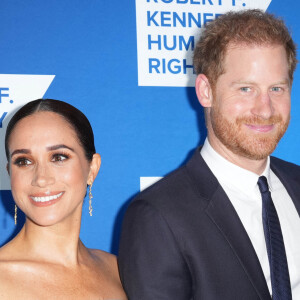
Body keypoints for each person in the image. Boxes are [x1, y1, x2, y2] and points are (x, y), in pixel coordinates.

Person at [118, 9, 300, 299]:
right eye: (245, 89)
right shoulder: (158, 216)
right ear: (206, 91)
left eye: (277, 88)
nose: (265, 109)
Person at [0, 99, 127, 299]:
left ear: (92, 169)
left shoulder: (118, 271)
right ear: (9, 173)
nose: (41, 178)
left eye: (58, 157)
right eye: (24, 161)